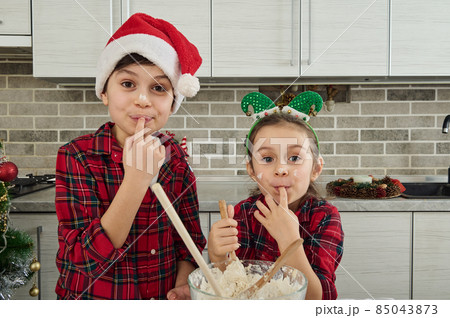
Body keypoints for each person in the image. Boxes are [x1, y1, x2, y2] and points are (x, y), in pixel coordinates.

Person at [54, 13, 206, 300]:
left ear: (173, 101)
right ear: (104, 92)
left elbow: (189, 243)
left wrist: (185, 283)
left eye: (159, 88)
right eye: (128, 84)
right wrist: (136, 180)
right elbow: (84, 260)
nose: (143, 99)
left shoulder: (177, 161)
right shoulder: (77, 157)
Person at [207, 92, 344, 300]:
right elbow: (236, 288)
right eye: (268, 158)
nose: (281, 169)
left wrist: (290, 241)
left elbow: (319, 300)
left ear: (316, 168)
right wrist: (217, 256)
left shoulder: (324, 217)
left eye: (295, 157)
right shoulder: (243, 213)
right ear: (252, 170)